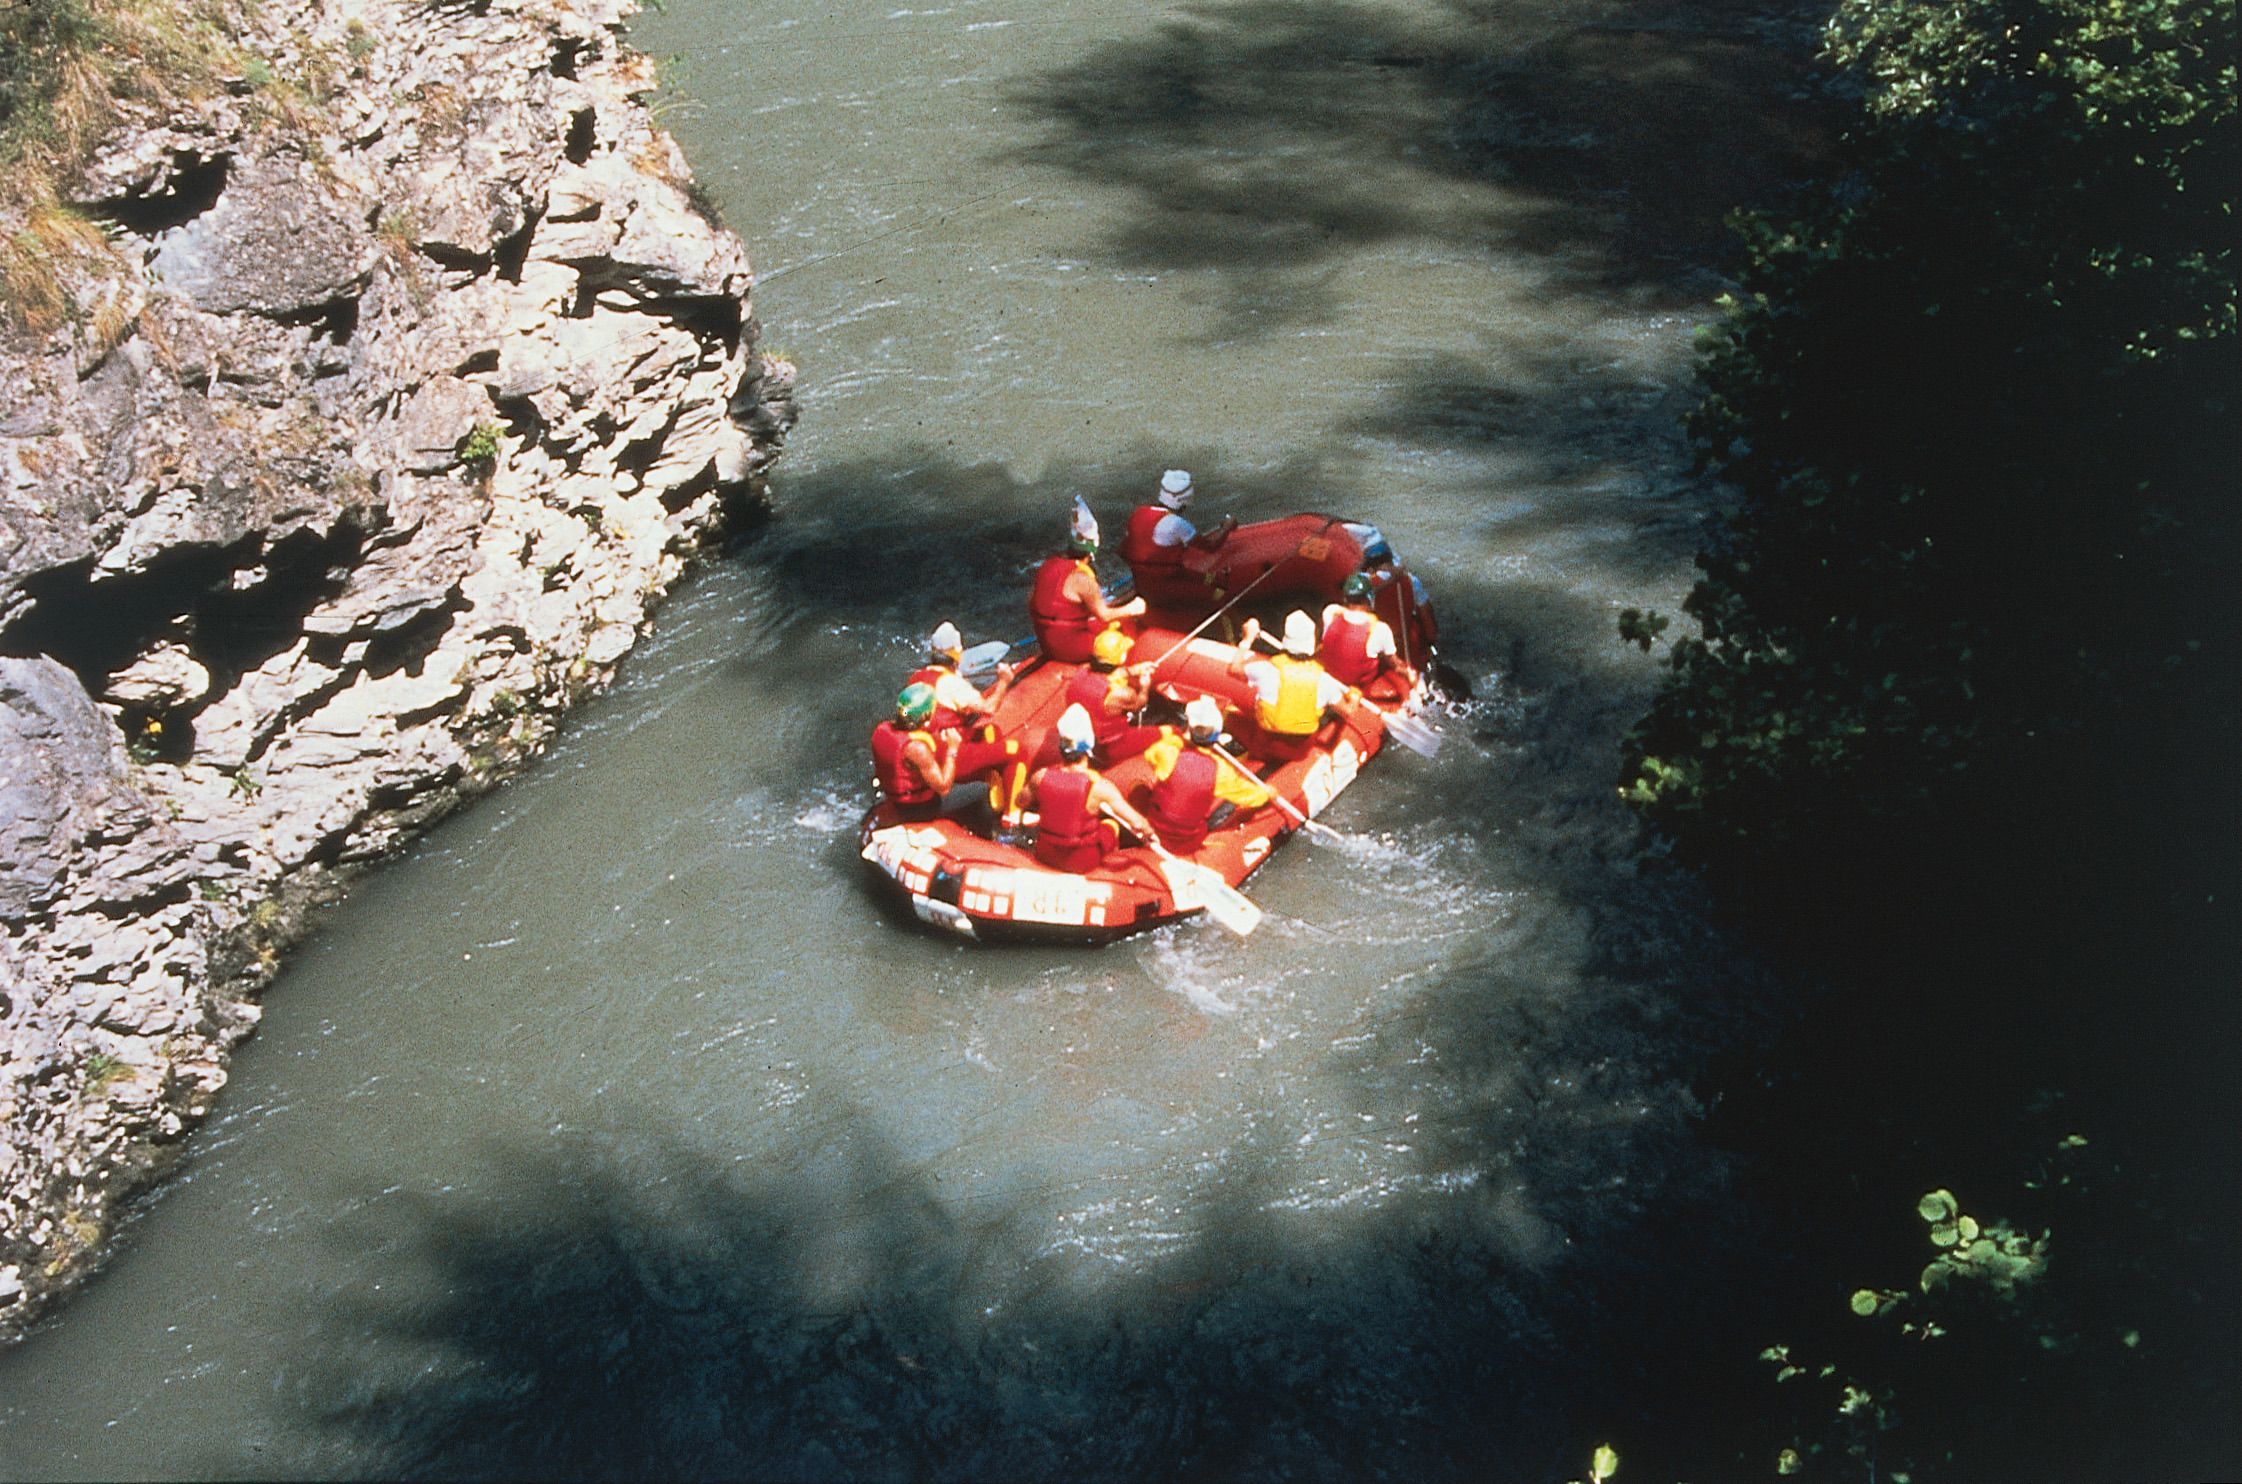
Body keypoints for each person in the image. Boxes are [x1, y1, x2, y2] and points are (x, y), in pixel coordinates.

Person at [1020, 704, 1155, 873]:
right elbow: (1138, 823)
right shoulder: (1100, 787)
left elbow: (1021, 801)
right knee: (1111, 825)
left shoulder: (1040, 776)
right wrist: (1150, 832)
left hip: (1045, 854)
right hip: (1080, 862)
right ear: (1088, 747)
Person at [1140, 696, 1270, 854]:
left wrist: (1180, 741)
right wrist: (1267, 793)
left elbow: (1150, 756)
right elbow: (1251, 797)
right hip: (1186, 840)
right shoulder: (1220, 769)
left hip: (1154, 823)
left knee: (1142, 788)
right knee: (1217, 804)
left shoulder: (1168, 752)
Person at [1230, 609, 1357, 763]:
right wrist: (1355, 695)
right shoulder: (1325, 681)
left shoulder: (1265, 669)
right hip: (1300, 752)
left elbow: (1234, 669)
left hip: (1264, 748)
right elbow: (1348, 711)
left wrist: (1247, 639)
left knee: (1228, 713)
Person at [1030, 497, 1146, 664]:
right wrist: (1133, 608)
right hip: (1071, 648)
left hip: (1046, 643)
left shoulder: (1048, 565)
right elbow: (1104, 616)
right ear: (1092, 549)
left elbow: (1032, 600)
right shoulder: (1083, 579)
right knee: (1120, 631)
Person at [1061, 626, 1170, 763]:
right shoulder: (1123, 694)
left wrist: (1135, 669)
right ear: (1122, 657)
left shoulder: (1082, 671)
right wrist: (1144, 687)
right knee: (1171, 731)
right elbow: (1139, 705)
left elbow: (1107, 673)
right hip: (1109, 747)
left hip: (1085, 738)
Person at [1118, 469, 1236, 583]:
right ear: (1183, 503)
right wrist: (1227, 527)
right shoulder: (1176, 524)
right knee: (1218, 582)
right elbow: (1211, 546)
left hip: (1139, 574)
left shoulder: (1140, 511)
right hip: (1166, 578)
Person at [869, 683, 958, 822]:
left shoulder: (881, 729)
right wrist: (952, 749)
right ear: (925, 716)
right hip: (919, 808)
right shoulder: (916, 749)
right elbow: (944, 788)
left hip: (893, 797)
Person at [909, 621, 1015, 732]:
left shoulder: (916, 676)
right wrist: (1004, 681)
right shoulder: (955, 685)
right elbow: (989, 709)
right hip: (944, 739)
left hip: (921, 734)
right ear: (958, 653)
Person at [1318, 573, 1401, 691]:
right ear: (1369, 598)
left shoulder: (1330, 612)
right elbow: (1395, 664)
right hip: (1358, 688)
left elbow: (1338, 609)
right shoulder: (1380, 629)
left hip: (1330, 680)